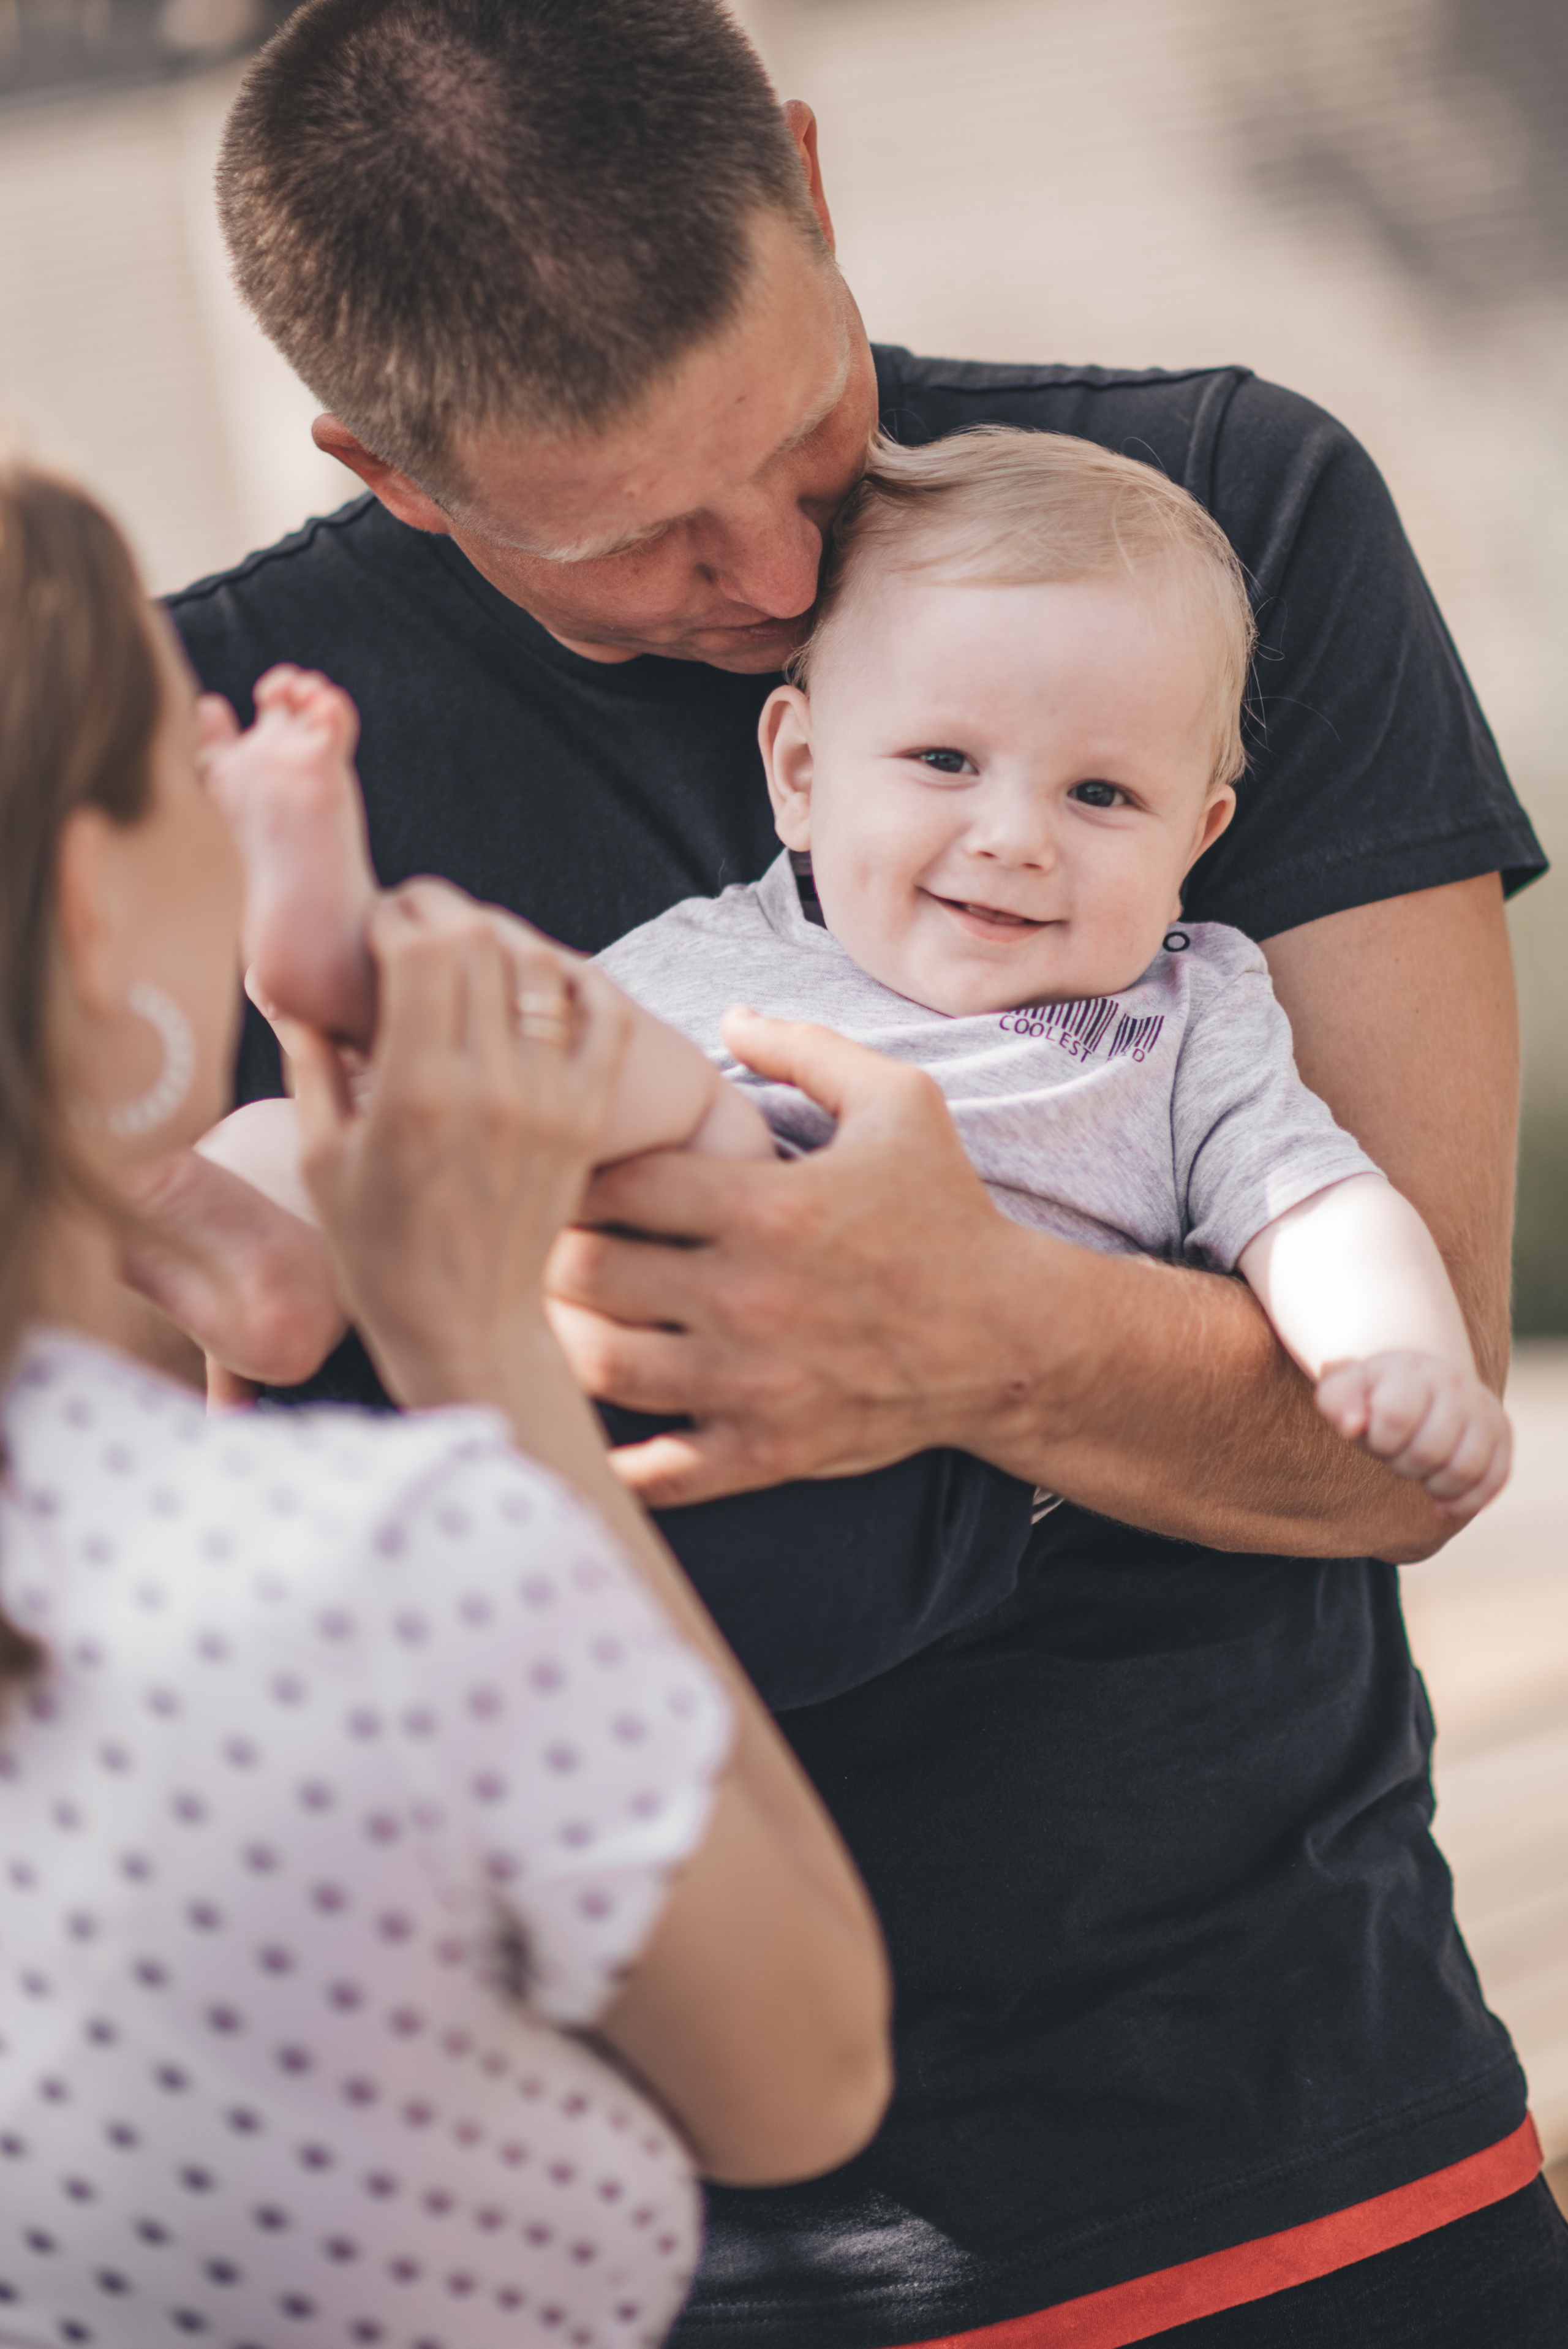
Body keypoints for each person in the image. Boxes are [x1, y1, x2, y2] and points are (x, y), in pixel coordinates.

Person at [167, 0, 1567, 2340]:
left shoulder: (1207, 532)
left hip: (1301, 2141)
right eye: (639, 536)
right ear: (389, 469)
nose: (787, 557)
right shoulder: (204, 741)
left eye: (810, 431)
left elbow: (1402, 1436)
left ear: (808, 178)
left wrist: (971, 1332)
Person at [0, 460, 892, 2349]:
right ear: (90, 912)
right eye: (186, 767)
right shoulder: (377, 1570)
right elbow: (802, 2072)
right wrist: (483, 1351)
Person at [192, 431, 1511, 1527]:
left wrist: (1393, 1361)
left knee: (662, 1108)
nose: (1012, 835)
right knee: (299, 1136)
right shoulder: (726, 940)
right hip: (560, 1418)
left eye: (1100, 793)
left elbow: (1319, 1209)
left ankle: (363, 967)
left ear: (1195, 844)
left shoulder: (1179, 1022)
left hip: (877, 1490)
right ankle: (266, 1242)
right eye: (943, 761)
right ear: (802, 775)